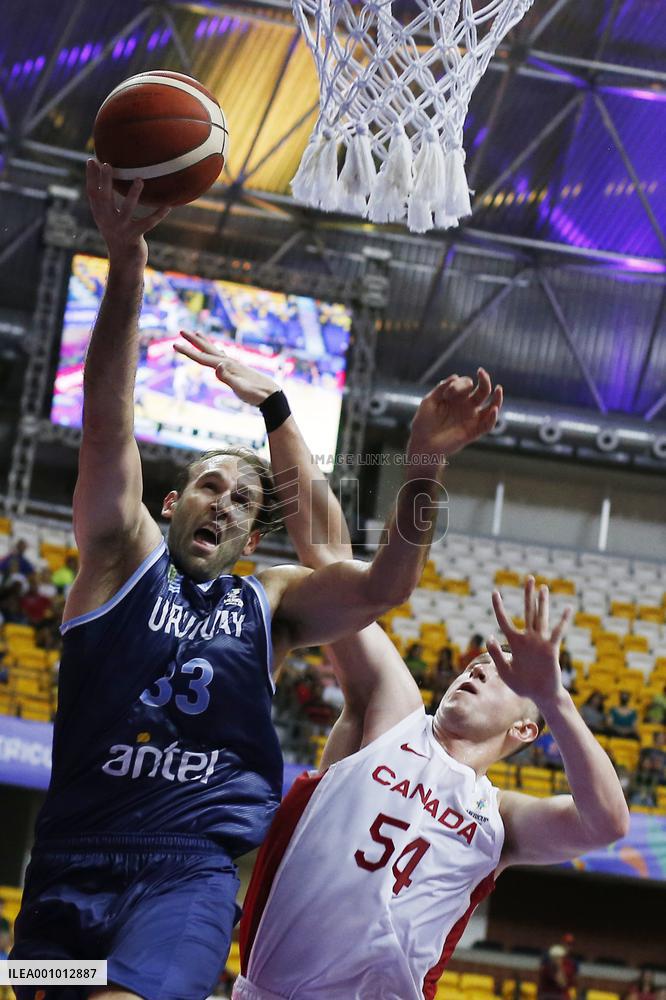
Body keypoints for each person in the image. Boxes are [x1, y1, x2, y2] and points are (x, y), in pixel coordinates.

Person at [12, 161, 500, 1000]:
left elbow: (383, 586)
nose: (225, 503)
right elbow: (106, 419)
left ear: (253, 533)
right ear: (171, 503)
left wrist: (422, 464)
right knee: (48, 987)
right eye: (210, 486)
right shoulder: (117, 556)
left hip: (186, 877)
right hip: (62, 873)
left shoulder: (269, 602)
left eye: (244, 501)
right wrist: (127, 262)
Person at [226, 413, 629, 1000]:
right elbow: (327, 556)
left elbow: (607, 823)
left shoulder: (501, 821)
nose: (476, 669)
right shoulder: (393, 714)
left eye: (500, 674)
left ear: (526, 727)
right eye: (475, 663)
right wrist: (279, 411)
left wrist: (555, 697)